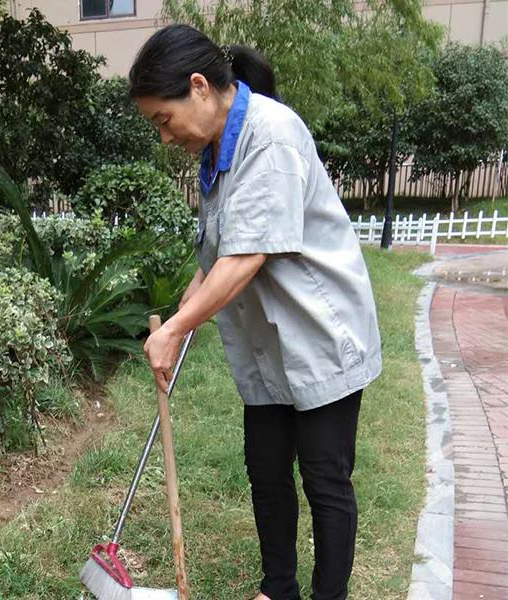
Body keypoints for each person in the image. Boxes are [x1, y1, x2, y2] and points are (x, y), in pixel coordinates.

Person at [133, 24, 382, 600]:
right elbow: (216, 256)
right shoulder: (217, 150)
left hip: (321, 332)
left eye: (162, 121)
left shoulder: (269, 135)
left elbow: (245, 257)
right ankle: (278, 589)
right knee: (267, 473)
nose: (165, 137)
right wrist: (178, 318)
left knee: (325, 480)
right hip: (268, 343)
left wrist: (175, 329)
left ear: (198, 87)